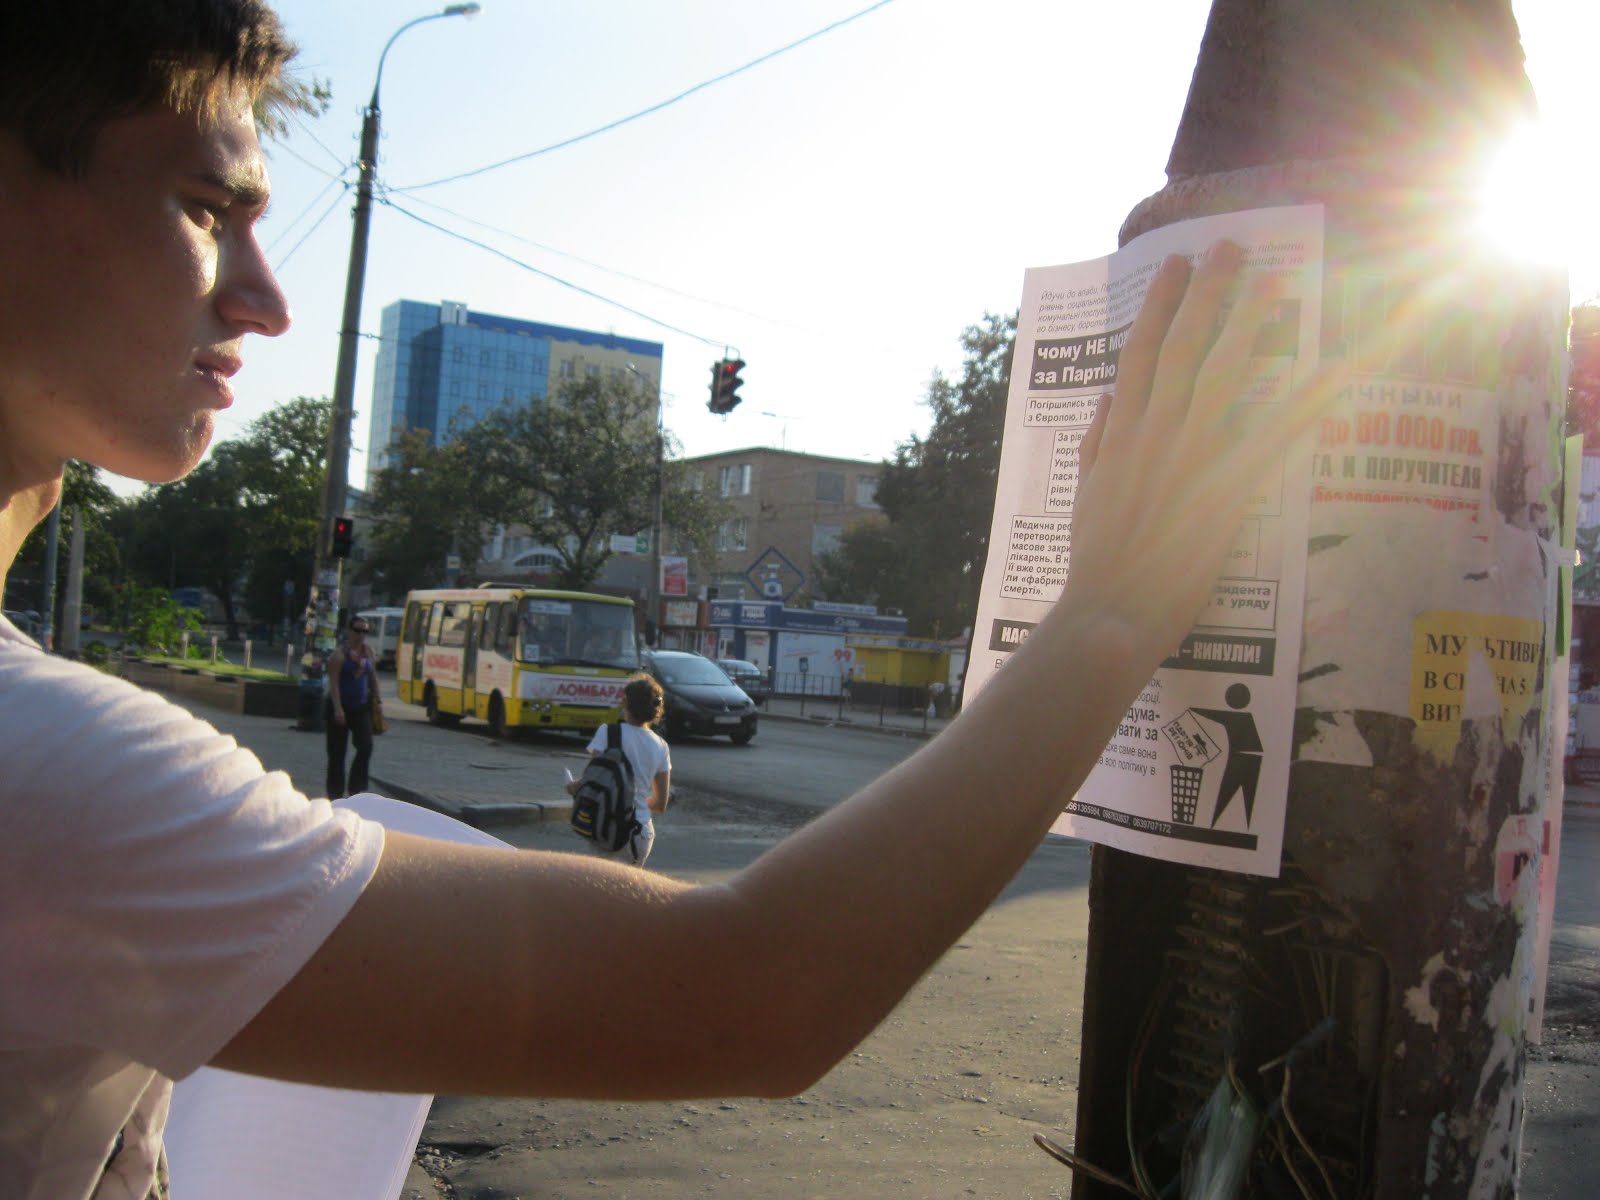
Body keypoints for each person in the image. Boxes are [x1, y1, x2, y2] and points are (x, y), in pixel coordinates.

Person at [0, 6, 1331, 1196]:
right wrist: (1111, 612)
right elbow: (749, 993)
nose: (267, 298)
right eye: (203, 206)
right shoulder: (41, 763)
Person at [568, 674, 672, 868]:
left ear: (626, 704)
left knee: (598, 884)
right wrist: (635, 803)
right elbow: (660, 804)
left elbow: (595, 779)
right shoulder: (661, 746)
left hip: (605, 826)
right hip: (639, 834)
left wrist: (575, 787)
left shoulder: (608, 733)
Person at [324, 615, 379, 799]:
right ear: (349, 631)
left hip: (361, 707)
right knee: (337, 753)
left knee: (366, 746)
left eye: (365, 631)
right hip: (339, 706)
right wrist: (338, 708)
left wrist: (378, 700)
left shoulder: (368, 652)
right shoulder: (339, 655)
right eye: (357, 630)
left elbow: (372, 676)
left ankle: (356, 789)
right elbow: (333, 683)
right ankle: (335, 794)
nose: (361, 634)